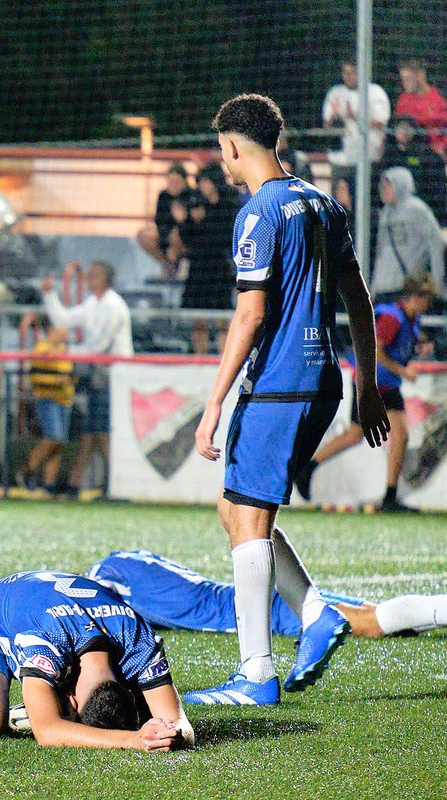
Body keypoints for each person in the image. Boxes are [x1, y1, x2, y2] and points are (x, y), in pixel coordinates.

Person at [188, 94, 390, 706]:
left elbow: (250, 314)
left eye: (220, 149)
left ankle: (256, 674)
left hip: (279, 382)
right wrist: (367, 384)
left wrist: (214, 400)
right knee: (238, 512)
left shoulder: (259, 214)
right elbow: (359, 300)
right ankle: (317, 615)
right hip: (324, 378)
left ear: (231, 145)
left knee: (247, 519)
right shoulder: (324, 204)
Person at [0, 570, 193, 750]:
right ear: (71, 701)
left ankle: (35, 703)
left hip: (45, 600)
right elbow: (48, 732)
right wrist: (134, 739)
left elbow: (182, 727)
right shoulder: (44, 641)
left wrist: (168, 733)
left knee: (149, 717)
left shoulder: (138, 640)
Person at [88, 548, 447, 640]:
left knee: (373, 624)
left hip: (258, 607)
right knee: (373, 615)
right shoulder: (122, 563)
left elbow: (98, 618)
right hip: (255, 594)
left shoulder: (109, 579)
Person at [295, 273, 436, 513]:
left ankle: (388, 495)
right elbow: (376, 351)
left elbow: (402, 343)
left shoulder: (411, 319)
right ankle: (308, 468)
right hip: (372, 382)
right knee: (361, 435)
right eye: (427, 298)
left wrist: (419, 346)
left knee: (375, 435)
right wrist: (403, 371)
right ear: (415, 297)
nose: (429, 304)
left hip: (387, 385)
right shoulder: (392, 319)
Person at [41, 260, 133, 497]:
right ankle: (76, 484)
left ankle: (117, 485)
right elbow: (63, 320)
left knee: (103, 432)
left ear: (104, 280)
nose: (88, 279)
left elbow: (99, 346)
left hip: (113, 376)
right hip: (96, 375)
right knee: (91, 432)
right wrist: (49, 295)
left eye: (93, 276)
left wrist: (67, 351)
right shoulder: (93, 304)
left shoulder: (115, 306)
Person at [180, 163, 238, 354]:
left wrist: (203, 222)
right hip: (198, 266)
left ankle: (225, 358)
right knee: (198, 318)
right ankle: (200, 358)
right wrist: (187, 221)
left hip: (219, 266)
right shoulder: (195, 203)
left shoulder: (229, 201)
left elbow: (225, 236)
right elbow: (187, 239)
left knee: (222, 317)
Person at [372, 167, 445, 301]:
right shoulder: (386, 213)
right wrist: (374, 288)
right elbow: (380, 252)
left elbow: (436, 243)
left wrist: (437, 281)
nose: (385, 190)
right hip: (383, 287)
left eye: (389, 185)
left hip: (405, 287)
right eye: (383, 186)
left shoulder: (417, 209)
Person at [18, 323, 72, 495]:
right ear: (51, 330)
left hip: (65, 399)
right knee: (53, 437)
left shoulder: (66, 349)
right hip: (48, 398)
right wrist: (54, 381)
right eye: (62, 328)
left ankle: (49, 485)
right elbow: (34, 374)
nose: (66, 332)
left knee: (58, 443)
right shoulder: (41, 349)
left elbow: (69, 374)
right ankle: (26, 470)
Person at [321, 58, 390, 178]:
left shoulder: (375, 91)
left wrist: (356, 117)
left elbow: (380, 122)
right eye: (345, 72)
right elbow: (327, 125)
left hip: (368, 158)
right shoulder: (335, 92)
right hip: (341, 159)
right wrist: (335, 117)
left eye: (353, 72)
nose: (348, 76)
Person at [378, 117, 447, 226]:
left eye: (407, 128)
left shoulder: (429, 157)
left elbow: (437, 194)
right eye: (400, 128)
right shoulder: (389, 157)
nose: (404, 132)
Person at [395, 59, 447, 155]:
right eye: (403, 79)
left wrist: (442, 145)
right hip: (412, 155)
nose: (404, 83)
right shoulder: (403, 100)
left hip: (439, 156)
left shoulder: (442, 98)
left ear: (420, 75)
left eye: (408, 79)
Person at [137, 163, 191, 269]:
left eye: (176, 182)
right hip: (166, 233)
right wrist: (167, 234)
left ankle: (176, 263)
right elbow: (159, 220)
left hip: (186, 236)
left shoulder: (190, 195)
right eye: (171, 181)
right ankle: (166, 264)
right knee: (144, 235)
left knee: (176, 238)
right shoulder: (164, 196)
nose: (173, 185)